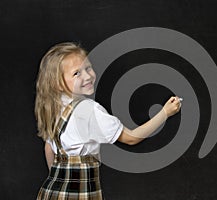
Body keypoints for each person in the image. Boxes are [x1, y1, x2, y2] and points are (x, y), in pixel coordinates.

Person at [35, 42, 182, 199]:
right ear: (57, 83)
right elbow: (131, 138)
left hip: (51, 191)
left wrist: (59, 178)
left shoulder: (54, 107)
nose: (87, 76)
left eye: (88, 68)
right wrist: (165, 112)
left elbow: (49, 148)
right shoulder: (89, 111)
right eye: (76, 73)